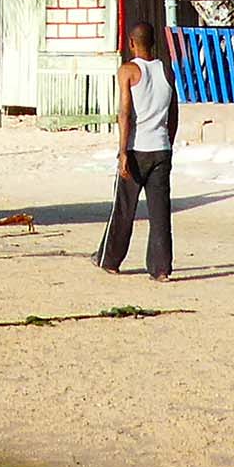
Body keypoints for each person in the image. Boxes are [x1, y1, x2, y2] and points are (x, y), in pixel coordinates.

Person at [97, 23, 176, 281]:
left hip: (136, 149)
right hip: (161, 148)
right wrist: (169, 142)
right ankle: (161, 268)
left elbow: (124, 113)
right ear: (152, 42)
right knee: (160, 212)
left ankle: (110, 260)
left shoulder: (128, 71)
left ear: (132, 42)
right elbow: (174, 112)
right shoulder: (166, 70)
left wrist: (122, 151)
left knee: (124, 208)